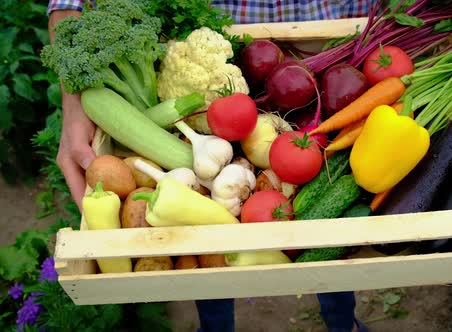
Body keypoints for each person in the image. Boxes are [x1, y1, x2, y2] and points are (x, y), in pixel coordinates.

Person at [47, 1, 373, 331]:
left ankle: (343, 323)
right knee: (208, 263)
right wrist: (73, 99)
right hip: (225, 63)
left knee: (330, 246)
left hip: (333, 52)